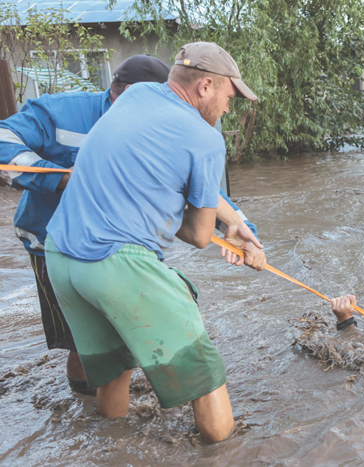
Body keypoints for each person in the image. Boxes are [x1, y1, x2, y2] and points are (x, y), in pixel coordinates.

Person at [44, 41, 265, 444]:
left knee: (115, 371)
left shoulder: (137, 94)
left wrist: (235, 223)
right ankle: (228, 452)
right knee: (204, 373)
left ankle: (116, 450)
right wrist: (220, 229)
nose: (230, 108)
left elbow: (146, 166)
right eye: (229, 96)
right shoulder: (206, 139)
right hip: (116, 263)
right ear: (205, 86)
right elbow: (199, 235)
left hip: (61, 256)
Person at [0, 55, 171, 395]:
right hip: (51, 241)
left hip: (121, 245)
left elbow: (197, 190)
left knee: (130, 327)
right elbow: (3, 139)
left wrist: (238, 228)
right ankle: (85, 409)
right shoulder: (62, 111)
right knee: (82, 338)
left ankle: (106, 404)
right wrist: (61, 179)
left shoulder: (160, 125)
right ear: (122, 94)